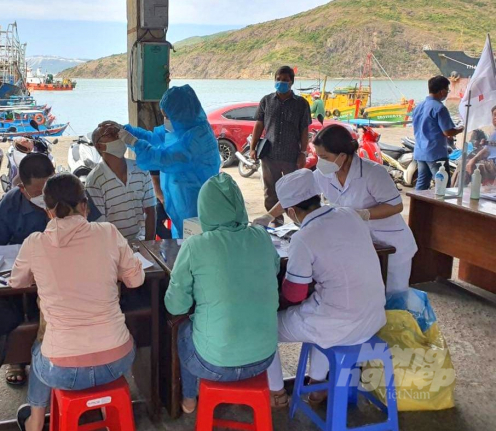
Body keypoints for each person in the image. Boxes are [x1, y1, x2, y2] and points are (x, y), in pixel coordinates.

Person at [9, 174, 145, 431]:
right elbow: (136, 280)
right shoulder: (108, 233)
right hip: (117, 361)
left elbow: (17, 282)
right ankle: (109, 410)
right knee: (55, 345)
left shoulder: (35, 243)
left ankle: (36, 421)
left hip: (62, 371)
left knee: (41, 346)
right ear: (85, 205)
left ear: (48, 211)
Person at [265, 169, 387, 406]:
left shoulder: (305, 236)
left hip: (340, 324)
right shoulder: (350, 215)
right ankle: (317, 387)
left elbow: (294, 294)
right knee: (318, 311)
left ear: (291, 212)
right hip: (373, 318)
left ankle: (277, 393)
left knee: (265, 328)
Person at [0, 153, 101, 385]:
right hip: (26, 282)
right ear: (22, 188)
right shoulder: (10, 203)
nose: (46, 198)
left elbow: (97, 233)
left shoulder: (73, 193)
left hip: (73, 279)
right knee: (10, 305)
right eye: (38, 193)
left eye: (48, 189)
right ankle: (16, 358)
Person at [165, 173, 280, 413]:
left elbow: (175, 307)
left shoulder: (196, 245)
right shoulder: (261, 237)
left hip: (214, 364)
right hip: (264, 359)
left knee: (183, 329)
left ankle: (188, 398)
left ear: (204, 208)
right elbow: (275, 268)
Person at [255, 125, 417, 294]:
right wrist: (268, 216)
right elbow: (295, 193)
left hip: (390, 241)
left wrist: (364, 214)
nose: (320, 162)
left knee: (393, 295)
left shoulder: (373, 173)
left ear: (342, 155)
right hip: (359, 241)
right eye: (318, 156)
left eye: (324, 156)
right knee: (368, 291)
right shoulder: (326, 173)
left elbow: (396, 206)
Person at [109, 84, 220, 238]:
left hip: (196, 206)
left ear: (180, 113)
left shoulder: (198, 139)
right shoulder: (180, 128)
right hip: (179, 204)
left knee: (195, 247)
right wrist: (126, 130)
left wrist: (133, 142)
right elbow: (152, 138)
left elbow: (163, 159)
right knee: (181, 245)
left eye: (167, 116)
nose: (165, 120)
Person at [250, 65, 312, 221]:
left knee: (294, 191)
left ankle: (297, 222)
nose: (281, 82)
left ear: (292, 82)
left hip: (292, 155)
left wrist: (303, 153)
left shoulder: (301, 104)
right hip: (269, 155)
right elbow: (259, 125)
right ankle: (276, 222)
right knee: (271, 191)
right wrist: (253, 148)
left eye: (285, 80)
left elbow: (304, 130)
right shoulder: (266, 101)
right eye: (278, 79)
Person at [86, 123, 157, 240]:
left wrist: (149, 245)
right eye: (110, 134)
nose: (118, 136)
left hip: (140, 241)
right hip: (113, 247)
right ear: (100, 146)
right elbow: (100, 226)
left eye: (118, 131)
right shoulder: (94, 181)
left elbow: (150, 210)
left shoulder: (141, 170)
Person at [412, 75, 464, 190]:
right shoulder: (439, 108)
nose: (447, 93)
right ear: (442, 91)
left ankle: (417, 207)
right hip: (435, 153)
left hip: (420, 151)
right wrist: (461, 128)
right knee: (443, 185)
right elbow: (448, 132)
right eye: (447, 90)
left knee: (422, 183)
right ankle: (441, 207)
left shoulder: (418, 107)